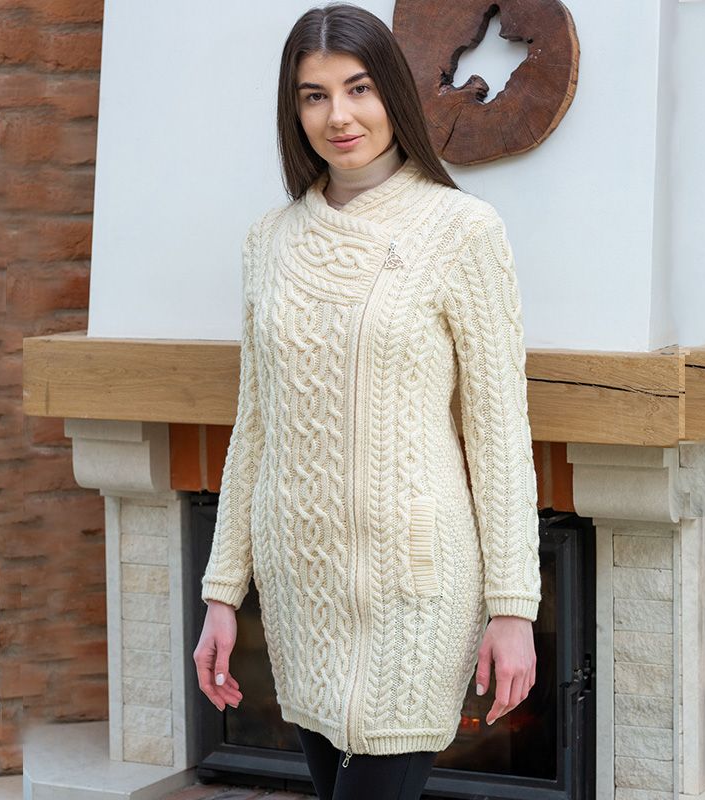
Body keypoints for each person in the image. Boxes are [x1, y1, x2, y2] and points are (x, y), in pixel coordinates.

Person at [193, 3, 542, 798]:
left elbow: (498, 433)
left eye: (358, 89)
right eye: (314, 96)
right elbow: (256, 427)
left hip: (415, 583)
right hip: (301, 585)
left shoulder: (462, 230)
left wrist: (514, 606)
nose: (339, 116)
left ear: (392, 92)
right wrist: (222, 594)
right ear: (294, 111)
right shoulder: (269, 241)